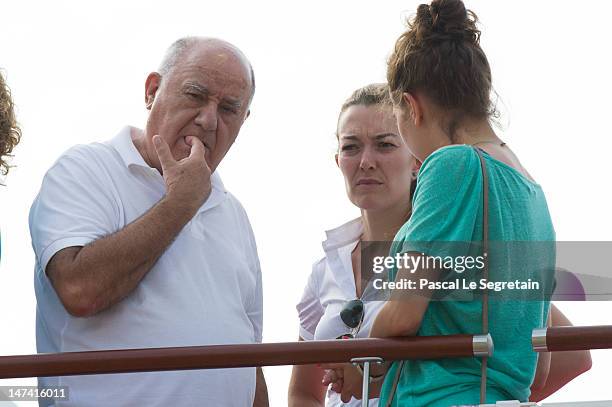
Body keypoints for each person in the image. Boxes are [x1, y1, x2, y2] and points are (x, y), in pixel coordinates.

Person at [324, 1, 588, 405]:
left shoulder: (451, 165)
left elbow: (406, 313)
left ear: (411, 107)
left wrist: (356, 349)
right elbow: (541, 369)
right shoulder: (533, 192)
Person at [29, 37, 267, 407]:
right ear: (152, 90)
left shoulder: (233, 212)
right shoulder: (86, 169)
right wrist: (181, 203)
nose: (208, 119)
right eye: (195, 95)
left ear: (243, 121)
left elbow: (249, 353)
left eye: (229, 108)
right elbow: (79, 289)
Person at [288, 83, 419, 407]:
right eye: (351, 147)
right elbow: (303, 393)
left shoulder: (446, 251)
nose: (366, 161)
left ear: (416, 160)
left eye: (385, 145)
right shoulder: (325, 268)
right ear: (337, 161)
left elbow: (564, 349)